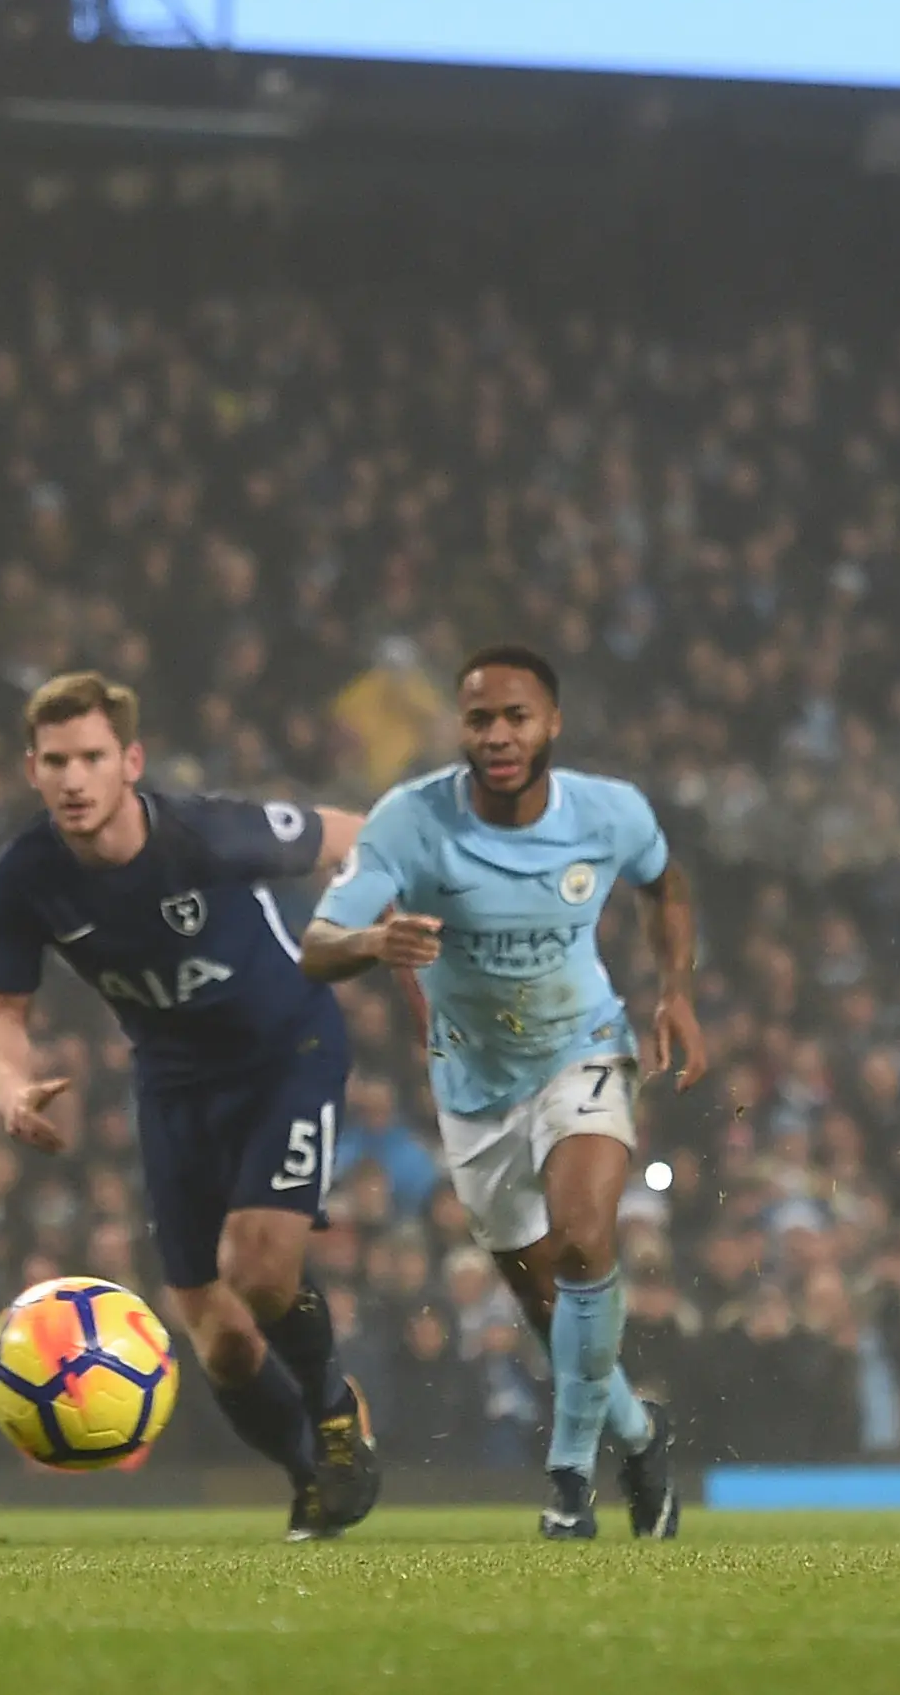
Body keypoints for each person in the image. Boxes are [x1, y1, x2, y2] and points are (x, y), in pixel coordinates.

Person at [301, 645, 702, 1541]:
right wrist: (373, 943)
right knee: (547, 1309)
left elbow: (665, 884)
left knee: (587, 1240)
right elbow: (316, 942)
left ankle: (568, 1483)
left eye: (516, 716)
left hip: (583, 1047)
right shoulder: (411, 821)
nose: (498, 735)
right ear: (461, 730)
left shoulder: (609, 812)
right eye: (480, 719)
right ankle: (638, 1439)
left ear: (552, 723)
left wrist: (676, 988)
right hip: (474, 1087)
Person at [0, 671, 383, 1541]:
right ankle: (308, 1474)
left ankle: (338, 1414)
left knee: (261, 1270)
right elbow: (0, 1014)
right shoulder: (24, 879)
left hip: (286, 1053)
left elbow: (360, 838)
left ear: (130, 762)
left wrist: (374, 936)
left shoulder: (210, 833)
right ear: (32, 771)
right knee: (220, 1337)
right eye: (56, 762)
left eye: (91, 758)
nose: (74, 779)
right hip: (173, 1083)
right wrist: (9, 1085)